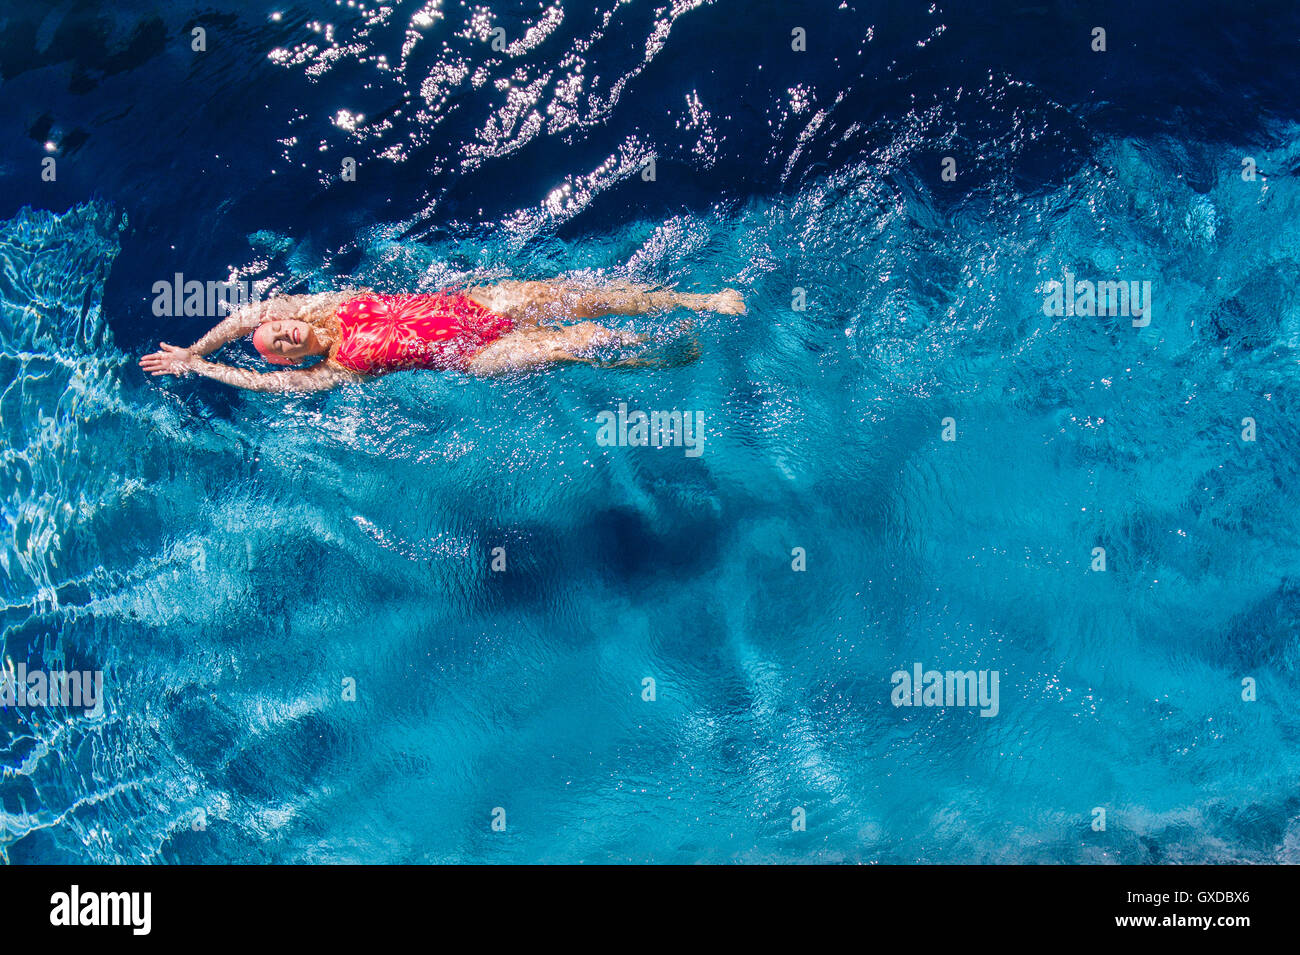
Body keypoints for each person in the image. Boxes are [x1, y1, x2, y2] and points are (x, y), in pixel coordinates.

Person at [139, 279, 744, 392]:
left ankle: (699, 301)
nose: (289, 330)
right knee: (574, 342)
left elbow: (249, 319)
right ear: (291, 358)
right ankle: (659, 355)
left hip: (474, 304)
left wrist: (194, 348)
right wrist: (205, 370)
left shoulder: (329, 307)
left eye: (284, 326)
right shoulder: (331, 368)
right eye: (286, 343)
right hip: (476, 353)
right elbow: (259, 380)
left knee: (579, 294)